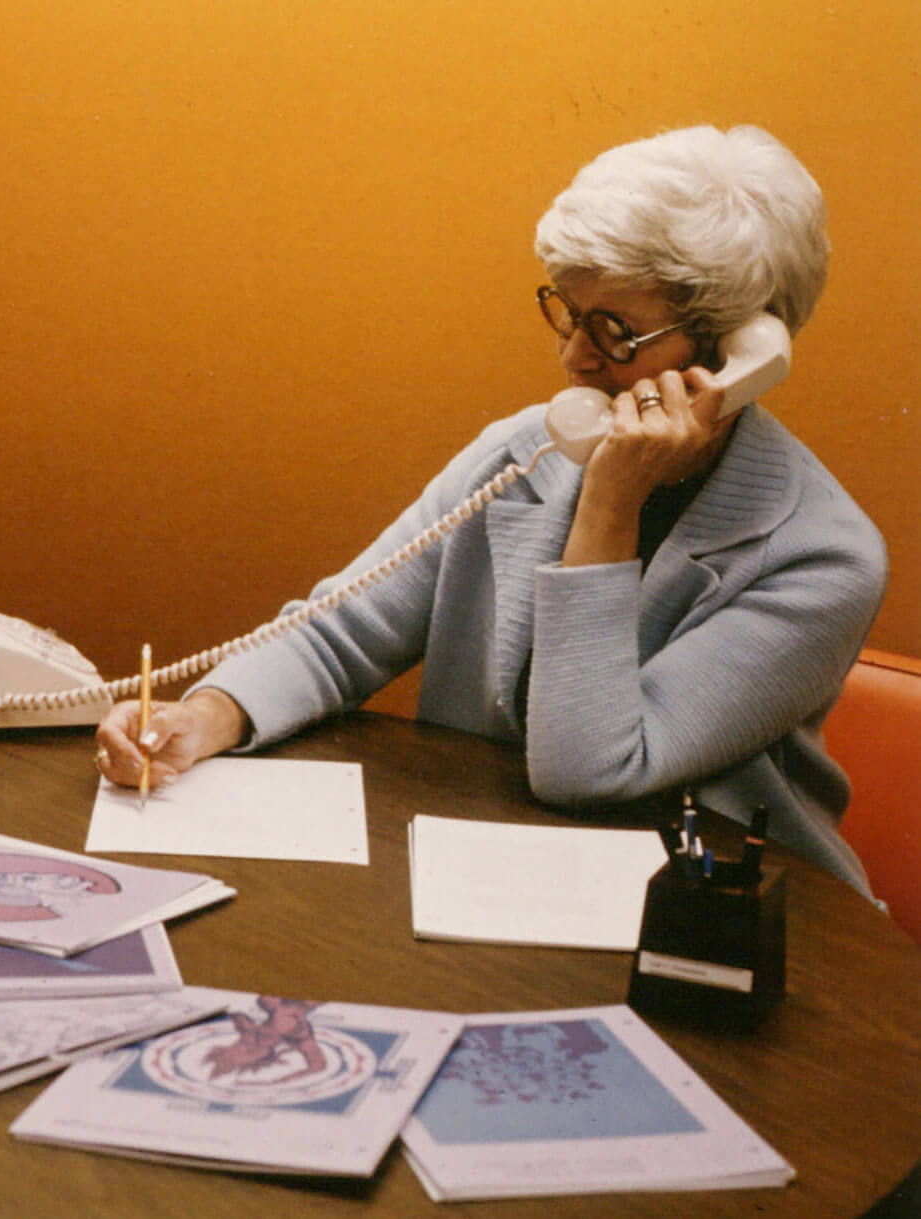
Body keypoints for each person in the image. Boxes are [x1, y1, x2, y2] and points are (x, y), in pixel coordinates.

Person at [95, 125, 887, 896]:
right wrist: (205, 716)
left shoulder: (820, 559)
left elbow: (590, 768)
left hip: (710, 915)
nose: (574, 358)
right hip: (491, 878)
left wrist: (609, 508)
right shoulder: (523, 453)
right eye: (568, 315)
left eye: (615, 332)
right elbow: (339, 634)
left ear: (730, 356)